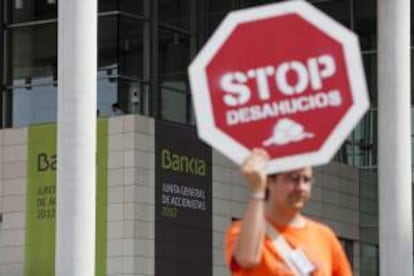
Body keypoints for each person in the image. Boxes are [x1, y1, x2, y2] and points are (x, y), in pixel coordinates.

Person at [225, 148, 352, 275]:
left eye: (306, 180)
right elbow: (247, 259)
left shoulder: (325, 237)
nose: (301, 187)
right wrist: (257, 191)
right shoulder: (244, 231)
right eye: (293, 178)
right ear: (269, 181)